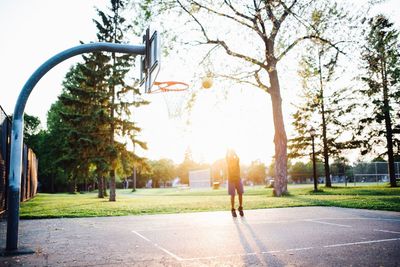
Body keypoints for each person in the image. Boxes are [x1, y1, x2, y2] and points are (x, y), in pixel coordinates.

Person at [226, 149, 244, 217]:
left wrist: (234, 152)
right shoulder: (228, 161)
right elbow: (226, 156)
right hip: (231, 180)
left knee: (240, 193)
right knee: (232, 195)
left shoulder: (236, 160)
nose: (232, 155)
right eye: (231, 154)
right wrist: (228, 151)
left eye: (232, 154)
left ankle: (240, 208)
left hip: (238, 179)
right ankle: (233, 209)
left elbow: (238, 157)